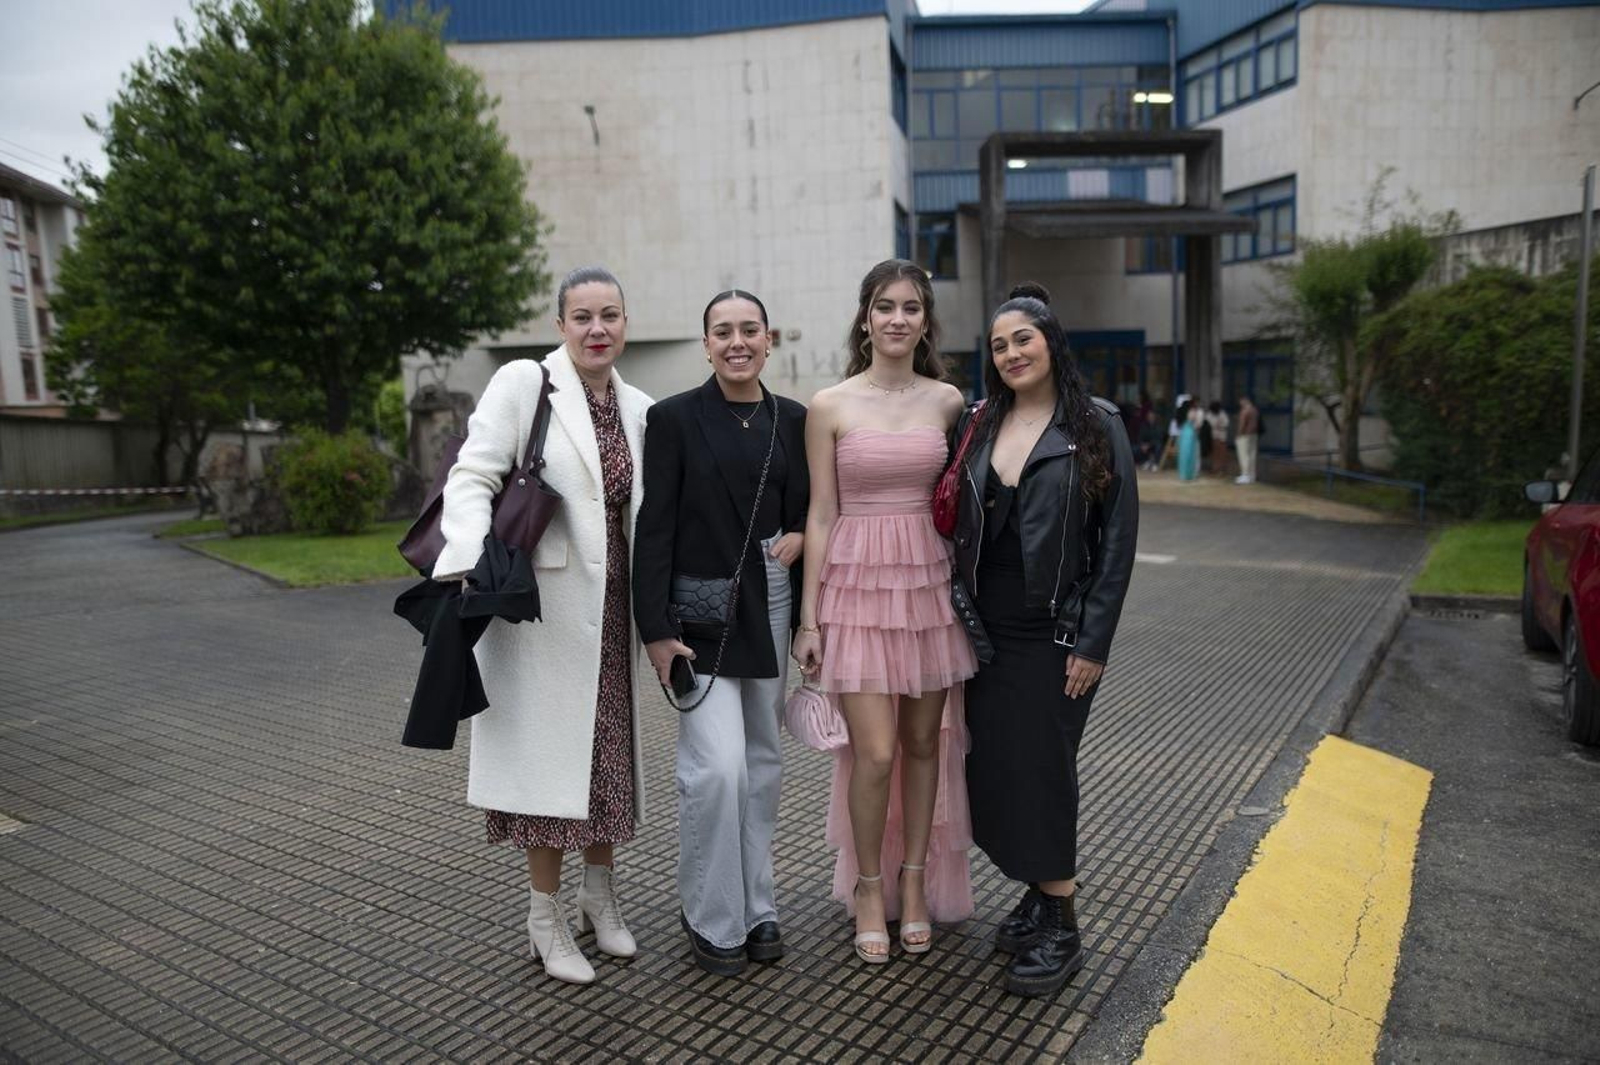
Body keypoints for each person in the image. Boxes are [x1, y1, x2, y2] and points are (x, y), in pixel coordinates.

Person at [432, 266, 653, 987]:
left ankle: (599, 897)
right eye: (582, 316)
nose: (597, 329)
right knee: (550, 774)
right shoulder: (526, 385)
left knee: (606, 762)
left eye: (610, 315)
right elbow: (471, 476)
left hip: (612, 614)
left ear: (626, 324)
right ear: (560, 325)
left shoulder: (639, 407)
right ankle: (543, 918)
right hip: (538, 613)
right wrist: (470, 558)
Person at [951, 282, 1139, 999]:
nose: (1011, 353)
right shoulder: (980, 421)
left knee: (1044, 770)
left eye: (1022, 339)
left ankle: (1062, 922)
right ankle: (1036, 894)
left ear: (1051, 342)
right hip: (982, 631)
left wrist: (1093, 642)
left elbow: (1117, 543)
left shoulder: (1096, 424)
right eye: (998, 345)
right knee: (994, 768)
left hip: (1056, 634)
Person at [791, 258, 977, 965]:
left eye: (911, 307)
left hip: (928, 585)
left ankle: (915, 880)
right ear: (865, 318)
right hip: (857, 588)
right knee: (872, 751)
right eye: (885, 306)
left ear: (926, 321)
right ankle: (870, 887)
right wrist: (809, 620)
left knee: (926, 744)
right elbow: (820, 512)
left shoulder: (949, 402)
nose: (897, 318)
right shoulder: (829, 405)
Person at [633, 290, 809, 977]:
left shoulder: (794, 419)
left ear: (769, 339)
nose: (738, 342)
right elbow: (654, 528)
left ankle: (757, 905)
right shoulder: (672, 418)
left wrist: (801, 538)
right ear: (705, 344)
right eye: (723, 331)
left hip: (770, 603)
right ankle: (712, 914)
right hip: (698, 616)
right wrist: (655, 630)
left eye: (750, 330)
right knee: (718, 768)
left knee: (762, 764)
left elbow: (808, 512)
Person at [1235, 396, 1261, 484]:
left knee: (1243, 455)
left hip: (1244, 435)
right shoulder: (1255, 410)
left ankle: (1245, 475)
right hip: (1254, 434)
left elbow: (1242, 424)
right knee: (1252, 455)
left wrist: (1238, 434)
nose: (1240, 404)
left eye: (1241, 402)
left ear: (1244, 401)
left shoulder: (1244, 411)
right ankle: (1252, 475)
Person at [1177, 400, 1201, 482]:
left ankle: (1183, 475)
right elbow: (1194, 422)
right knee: (1190, 454)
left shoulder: (1181, 412)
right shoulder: (1191, 412)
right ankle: (1189, 475)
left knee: (1183, 454)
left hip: (1183, 433)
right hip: (1190, 432)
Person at [1205, 400, 1231, 476]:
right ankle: (1215, 468)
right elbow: (1207, 423)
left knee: (1222, 453)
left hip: (1222, 436)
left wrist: (1219, 425)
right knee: (1214, 453)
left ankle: (1222, 469)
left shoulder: (1222, 414)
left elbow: (1226, 424)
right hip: (1213, 436)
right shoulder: (1209, 414)